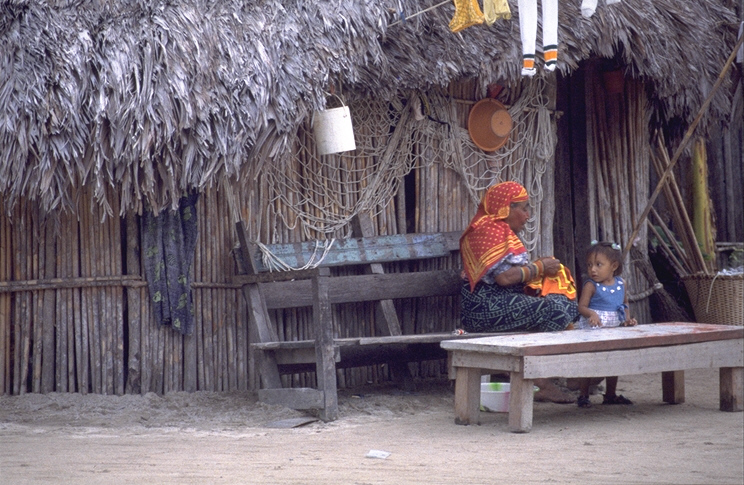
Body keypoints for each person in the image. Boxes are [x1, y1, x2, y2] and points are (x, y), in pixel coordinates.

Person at [459, 181, 579, 403]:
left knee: (568, 305)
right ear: (506, 208)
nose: (527, 216)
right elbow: (504, 278)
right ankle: (541, 381)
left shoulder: (502, 232)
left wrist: (541, 271)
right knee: (554, 310)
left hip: (504, 302)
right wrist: (540, 268)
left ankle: (550, 378)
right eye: (523, 208)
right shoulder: (484, 232)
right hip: (483, 307)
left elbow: (512, 275)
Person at [575, 241, 637, 408]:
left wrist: (627, 320)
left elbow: (624, 304)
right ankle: (583, 394)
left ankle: (610, 394)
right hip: (593, 330)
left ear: (613, 266)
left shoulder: (621, 284)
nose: (592, 269)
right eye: (589, 265)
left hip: (614, 330)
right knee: (589, 362)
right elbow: (581, 307)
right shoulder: (591, 285)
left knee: (614, 360)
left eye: (598, 265)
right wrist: (592, 314)